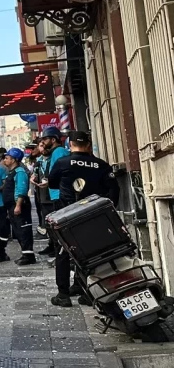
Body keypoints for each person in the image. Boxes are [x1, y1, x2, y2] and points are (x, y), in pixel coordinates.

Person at [47, 131, 119, 307]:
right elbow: (113, 190)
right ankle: (88, 290)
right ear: (88, 145)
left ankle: (63, 295)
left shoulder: (62, 162)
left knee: (63, 252)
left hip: (67, 215)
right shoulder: (101, 165)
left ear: (70, 145)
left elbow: (52, 183)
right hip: (93, 214)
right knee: (93, 251)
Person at [35, 127, 68, 253]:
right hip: (55, 193)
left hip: (60, 194)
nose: (43, 142)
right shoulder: (54, 153)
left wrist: (48, 181)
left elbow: (61, 172)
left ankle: (62, 252)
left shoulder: (59, 151)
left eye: (45, 139)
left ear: (53, 139)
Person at [5, 148, 35, 264]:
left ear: (14, 160)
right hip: (12, 206)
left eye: (7, 158)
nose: (5, 160)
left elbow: (21, 190)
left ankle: (28, 256)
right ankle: (25, 254)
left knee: (24, 230)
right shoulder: (11, 172)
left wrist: (18, 205)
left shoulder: (20, 172)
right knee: (18, 231)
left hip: (19, 206)